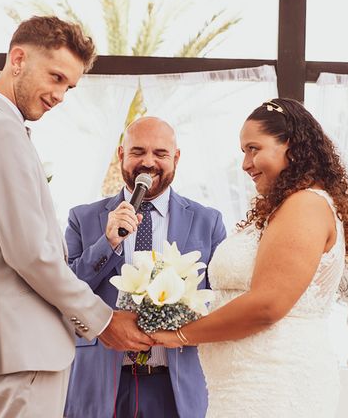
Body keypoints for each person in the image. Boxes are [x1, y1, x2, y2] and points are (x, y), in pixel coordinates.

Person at [0, 15, 152, 418]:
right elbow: (30, 254)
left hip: (9, 352)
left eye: (70, 86)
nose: (61, 95)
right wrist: (102, 319)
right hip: (26, 353)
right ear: (18, 58)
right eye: (56, 77)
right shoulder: (0, 133)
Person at [153, 98, 348, 417]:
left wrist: (179, 336)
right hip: (245, 385)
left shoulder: (305, 205)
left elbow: (268, 305)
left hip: (275, 384)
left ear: (291, 146)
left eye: (254, 149)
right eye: (244, 152)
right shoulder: (284, 207)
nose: (246, 164)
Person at [64, 116, 227, 418]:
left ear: (176, 158)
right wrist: (107, 242)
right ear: (121, 154)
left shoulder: (209, 222)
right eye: (138, 151)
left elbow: (218, 303)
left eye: (160, 153)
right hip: (100, 384)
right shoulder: (81, 219)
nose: (148, 162)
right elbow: (64, 292)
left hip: (177, 387)